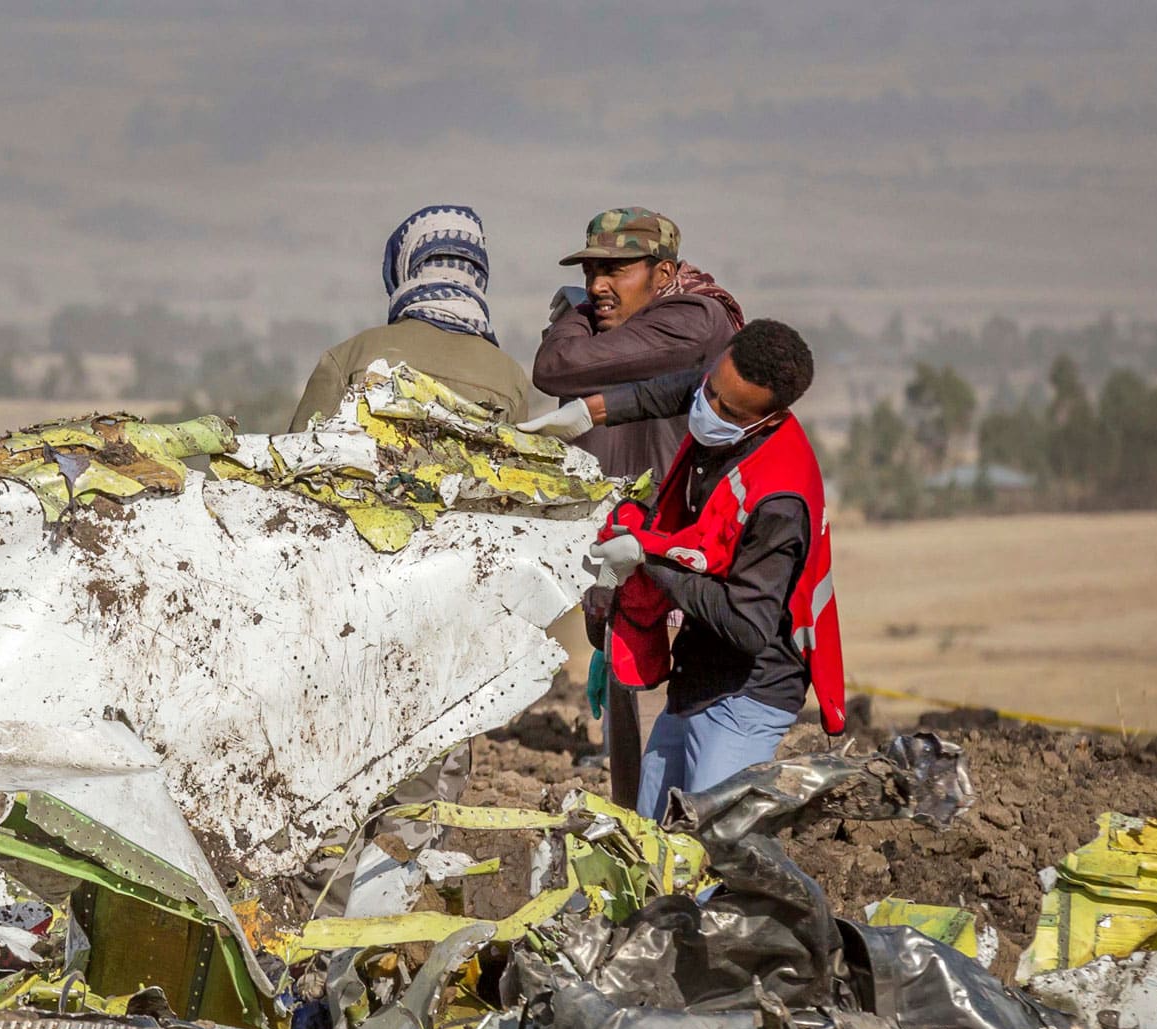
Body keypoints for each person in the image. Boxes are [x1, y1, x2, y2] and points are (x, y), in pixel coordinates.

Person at [517, 206, 743, 812]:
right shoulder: (615, 336)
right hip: (623, 568)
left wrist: (568, 318)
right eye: (591, 271)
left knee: (691, 757)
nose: (597, 286)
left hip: (682, 573)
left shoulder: (696, 319)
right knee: (633, 758)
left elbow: (555, 367)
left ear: (664, 271)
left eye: (616, 269)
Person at [582, 319, 845, 821]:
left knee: (710, 850)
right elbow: (679, 391)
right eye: (712, 391)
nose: (707, 410)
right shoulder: (725, 397)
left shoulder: (778, 501)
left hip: (746, 697)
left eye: (728, 409)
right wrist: (586, 413)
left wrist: (650, 559)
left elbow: (748, 625)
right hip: (697, 676)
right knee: (651, 836)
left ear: (766, 420)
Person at [288, 205, 531, 431]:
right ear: (479, 273)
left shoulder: (352, 355)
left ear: (402, 266)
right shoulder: (511, 378)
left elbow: (294, 457)